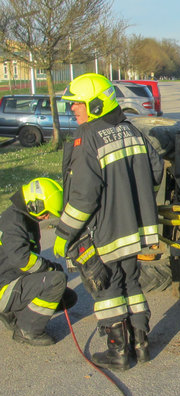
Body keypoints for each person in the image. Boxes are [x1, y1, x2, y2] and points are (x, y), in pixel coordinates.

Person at [54, 73, 163, 370]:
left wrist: (64, 233)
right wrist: (136, 198)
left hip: (109, 232)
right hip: (137, 230)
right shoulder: (132, 130)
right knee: (131, 282)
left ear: (97, 104)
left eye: (77, 104)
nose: (73, 110)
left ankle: (118, 352)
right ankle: (141, 345)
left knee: (108, 290)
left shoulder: (88, 137)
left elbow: (83, 197)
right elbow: (155, 172)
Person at [0, 178, 71, 346]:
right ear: (34, 204)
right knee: (56, 281)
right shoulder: (14, 223)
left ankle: (12, 314)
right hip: (5, 286)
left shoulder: (20, 216)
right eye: (46, 212)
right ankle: (27, 331)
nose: (47, 217)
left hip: (9, 280)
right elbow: (23, 259)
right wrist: (49, 267)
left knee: (66, 297)